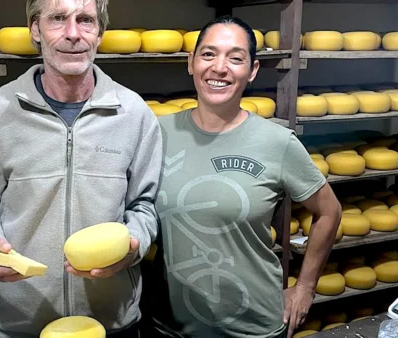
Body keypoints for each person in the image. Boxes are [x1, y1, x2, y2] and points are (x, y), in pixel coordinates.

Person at [0, 0, 162, 337]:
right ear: (36, 29)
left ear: (100, 32)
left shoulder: (133, 114)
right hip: (14, 322)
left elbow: (145, 205)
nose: (73, 33)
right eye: (58, 19)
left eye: (86, 20)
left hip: (108, 322)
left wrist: (133, 243)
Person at [147, 15, 342, 338]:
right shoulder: (158, 133)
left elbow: (329, 212)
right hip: (169, 326)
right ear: (191, 62)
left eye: (235, 58)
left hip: (251, 326)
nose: (219, 68)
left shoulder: (277, 142)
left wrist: (305, 287)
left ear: (251, 71)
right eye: (208, 54)